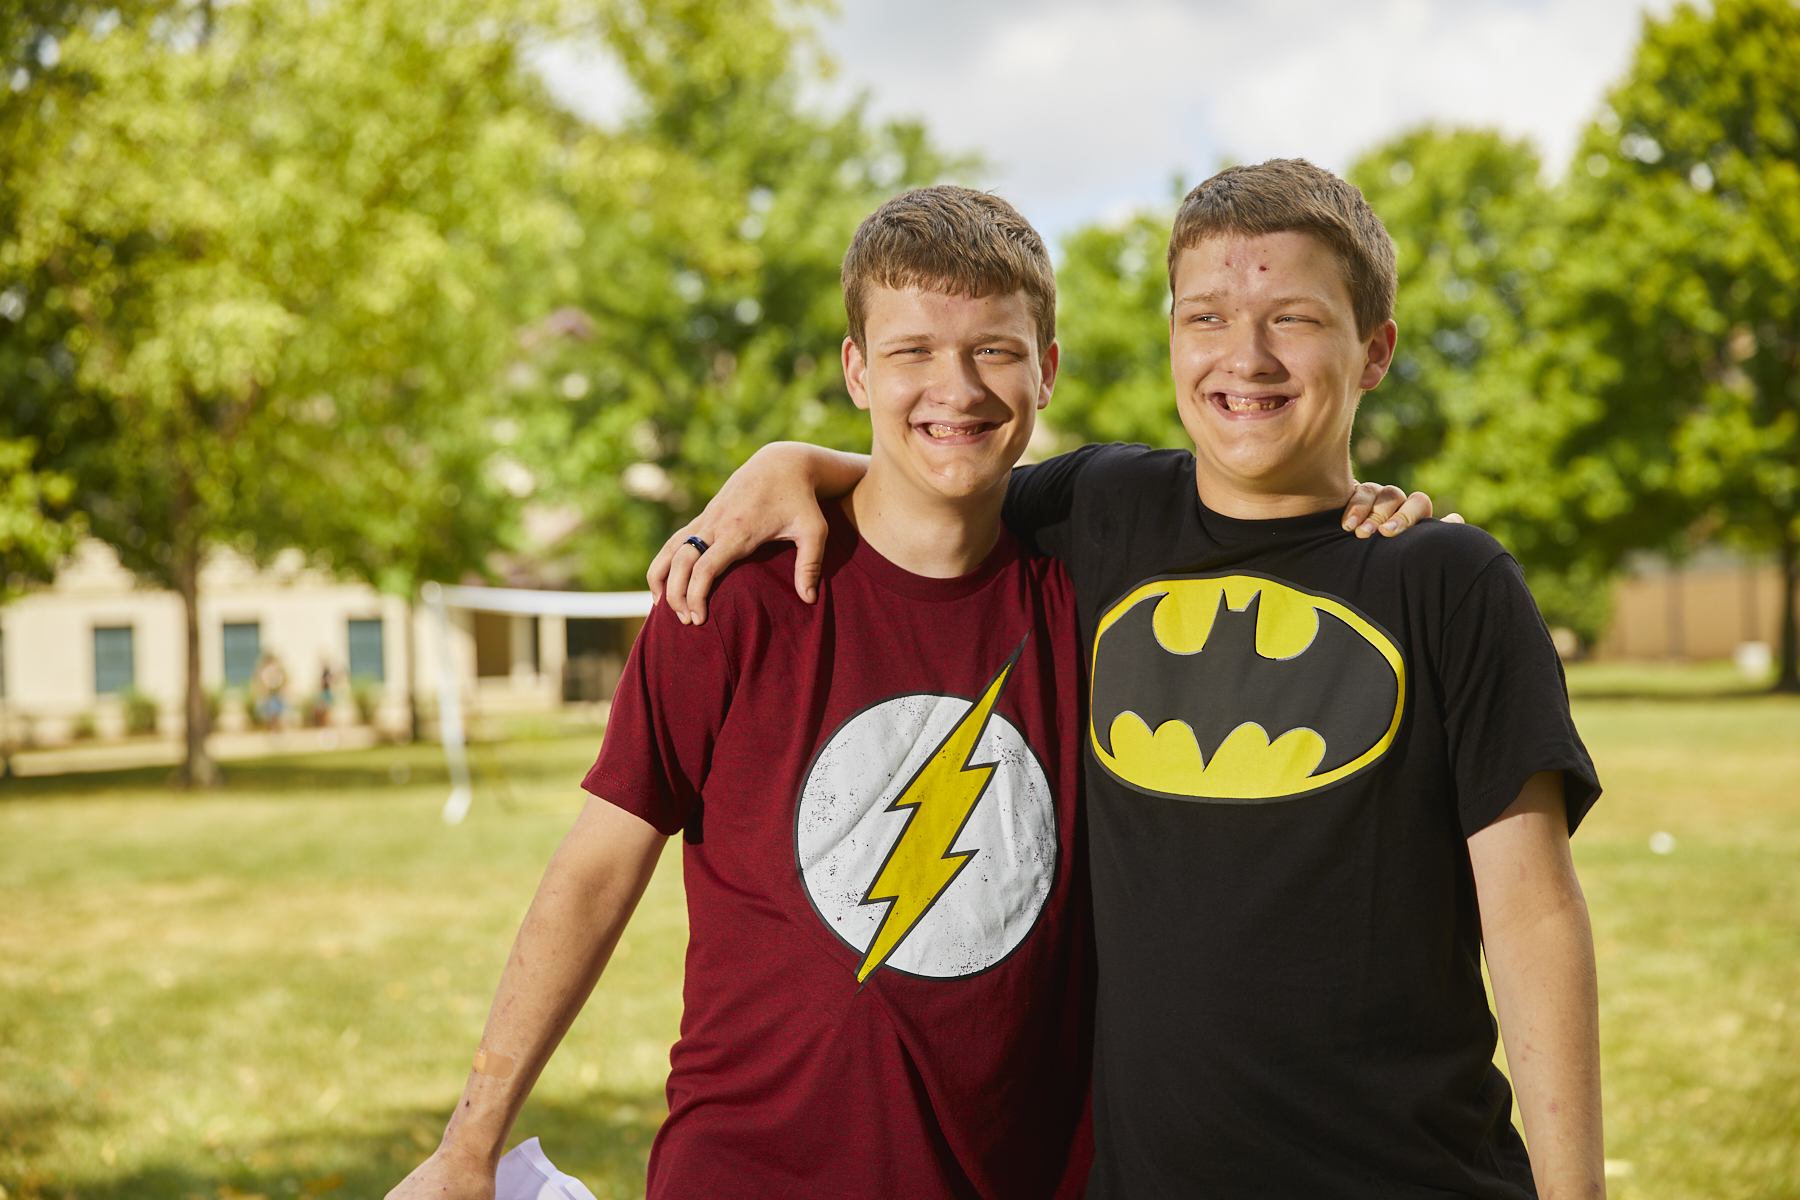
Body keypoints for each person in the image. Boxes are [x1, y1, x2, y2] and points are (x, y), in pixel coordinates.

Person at [390, 184, 1431, 1200]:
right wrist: (471, 1144)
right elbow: (593, 873)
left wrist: (1379, 530)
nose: (956, 388)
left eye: (994, 351)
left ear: (1047, 369)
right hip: (747, 1171)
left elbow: (1266, 509)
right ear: (856, 369)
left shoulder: (1098, 598)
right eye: (912, 352)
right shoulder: (735, 601)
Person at [653, 160, 1605, 1198]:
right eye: (1207, 318)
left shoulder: (1451, 581)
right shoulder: (1105, 512)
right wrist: (789, 461)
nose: (1246, 356)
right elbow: (942, 466)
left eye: (1292, 319)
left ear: (1374, 350)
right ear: (1173, 338)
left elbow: (1532, 919)